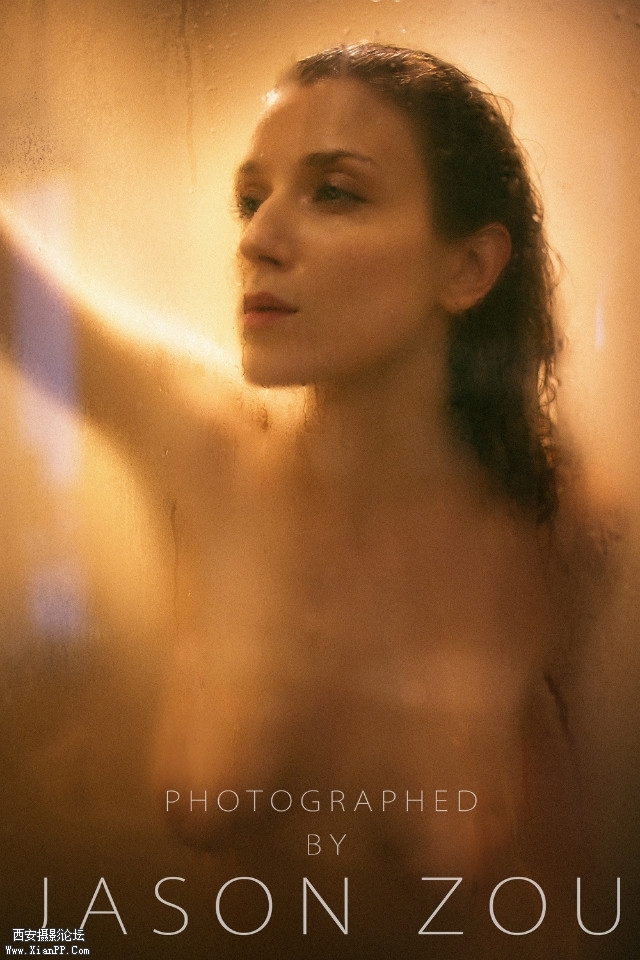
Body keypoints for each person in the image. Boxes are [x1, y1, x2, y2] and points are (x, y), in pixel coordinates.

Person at [0, 41, 618, 960]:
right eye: (252, 199)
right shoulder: (213, 449)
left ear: (468, 267)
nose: (256, 239)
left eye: (334, 191)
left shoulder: (564, 523)